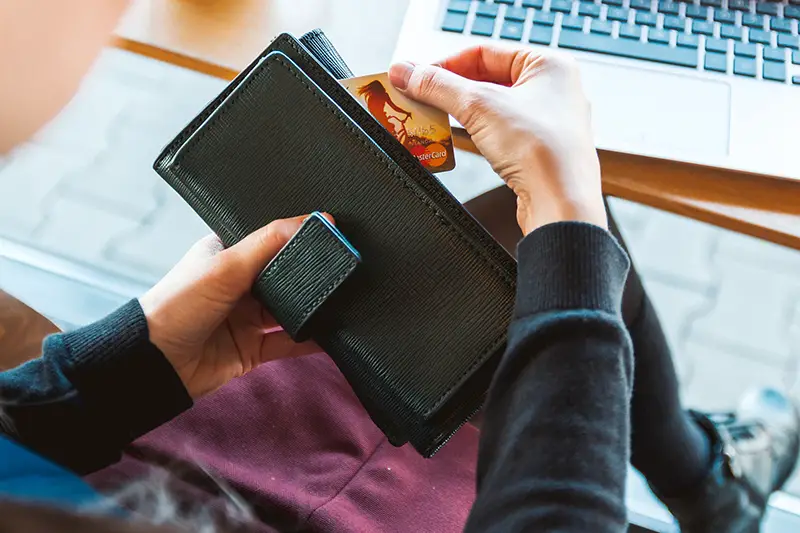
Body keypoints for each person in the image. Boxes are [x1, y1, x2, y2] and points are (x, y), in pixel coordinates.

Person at [0, 2, 798, 532]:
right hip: (259, 490)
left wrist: (119, 368)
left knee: (516, 255)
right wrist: (569, 213)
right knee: (560, 255)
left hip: (145, 444)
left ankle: (704, 480)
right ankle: (707, 485)